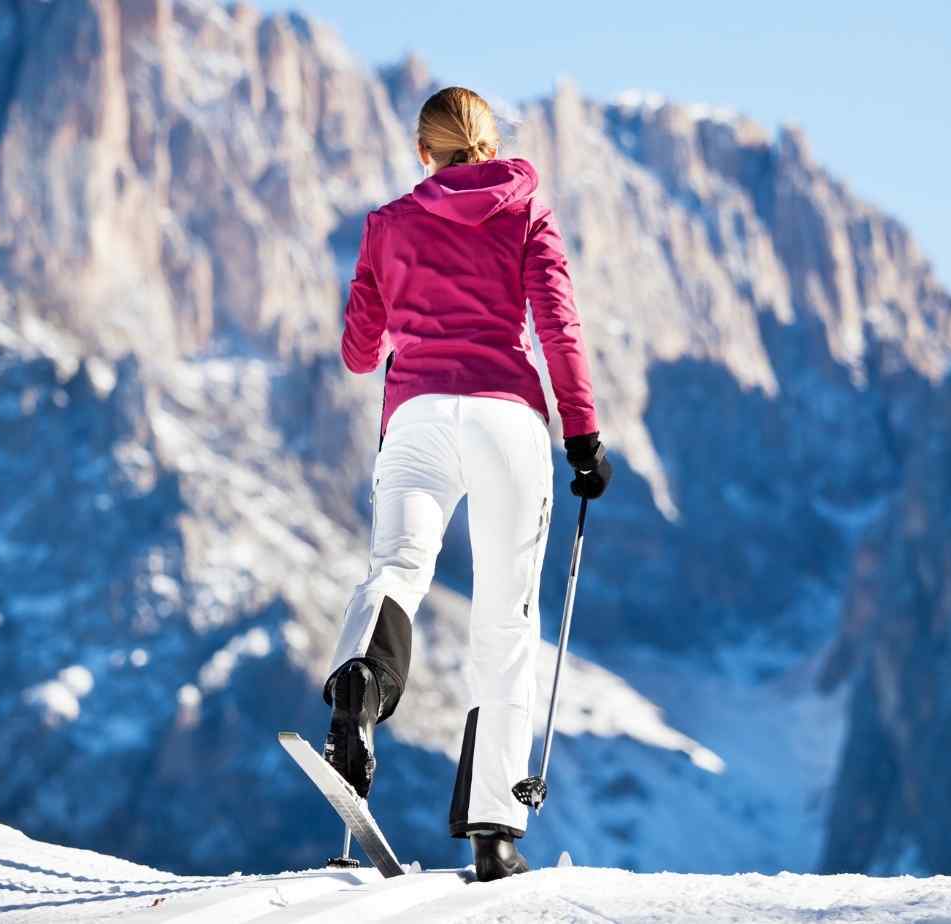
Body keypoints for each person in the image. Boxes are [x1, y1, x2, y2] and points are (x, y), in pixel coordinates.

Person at [321, 86, 612, 882]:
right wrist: (583, 436)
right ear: (488, 144)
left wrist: (392, 300)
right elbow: (557, 325)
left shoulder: (388, 223)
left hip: (416, 417)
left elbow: (356, 351)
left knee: (398, 571)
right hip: (506, 423)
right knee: (505, 619)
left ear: (425, 151)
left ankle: (361, 685)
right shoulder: (527, 212)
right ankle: (493, 831)